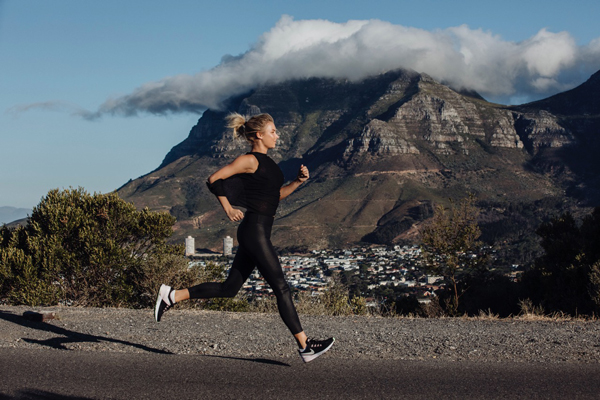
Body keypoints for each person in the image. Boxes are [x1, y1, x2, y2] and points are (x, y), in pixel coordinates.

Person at [154, 112, 335, 363]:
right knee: (281, 287)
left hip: (258, 229)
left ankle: (172, 295)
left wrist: (298, 182)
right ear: (259, 135)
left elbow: (275, 198)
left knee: (230, 289)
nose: (277, 135)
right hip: (254, 231)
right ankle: (305, 345)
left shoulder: (269, 164)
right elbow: (214, 179)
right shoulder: (249, 160)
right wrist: (227, 208)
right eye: (273, 131)